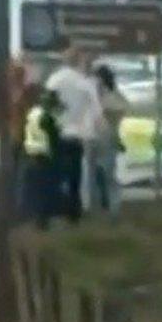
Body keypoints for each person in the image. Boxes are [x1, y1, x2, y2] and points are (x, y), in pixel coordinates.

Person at [45, 47, 103, 222]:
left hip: (56, 132)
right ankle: (73, 212)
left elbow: (47, 106)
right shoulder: (83, 82)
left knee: (55, 172)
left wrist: (57, 118)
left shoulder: (54, 80)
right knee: (74, 174)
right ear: (78, 61)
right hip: (77, 133)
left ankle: (54, 209)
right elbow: (96, 109)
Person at [22, 88, 63, 229]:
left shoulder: (33, 113)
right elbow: (54, 139)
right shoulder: (47, 117)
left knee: (35, 191)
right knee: (46, 190)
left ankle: (35, 219)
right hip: (44, 156)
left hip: (31, 153)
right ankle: (43, 222)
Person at [93, 65, 129, 216]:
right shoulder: (97, 95)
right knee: (98, 174)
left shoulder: (111, 96)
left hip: (107, 138)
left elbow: (118, 110)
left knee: (107, 174)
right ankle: (102, 206)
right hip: (97, 138)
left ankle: (111, 207)